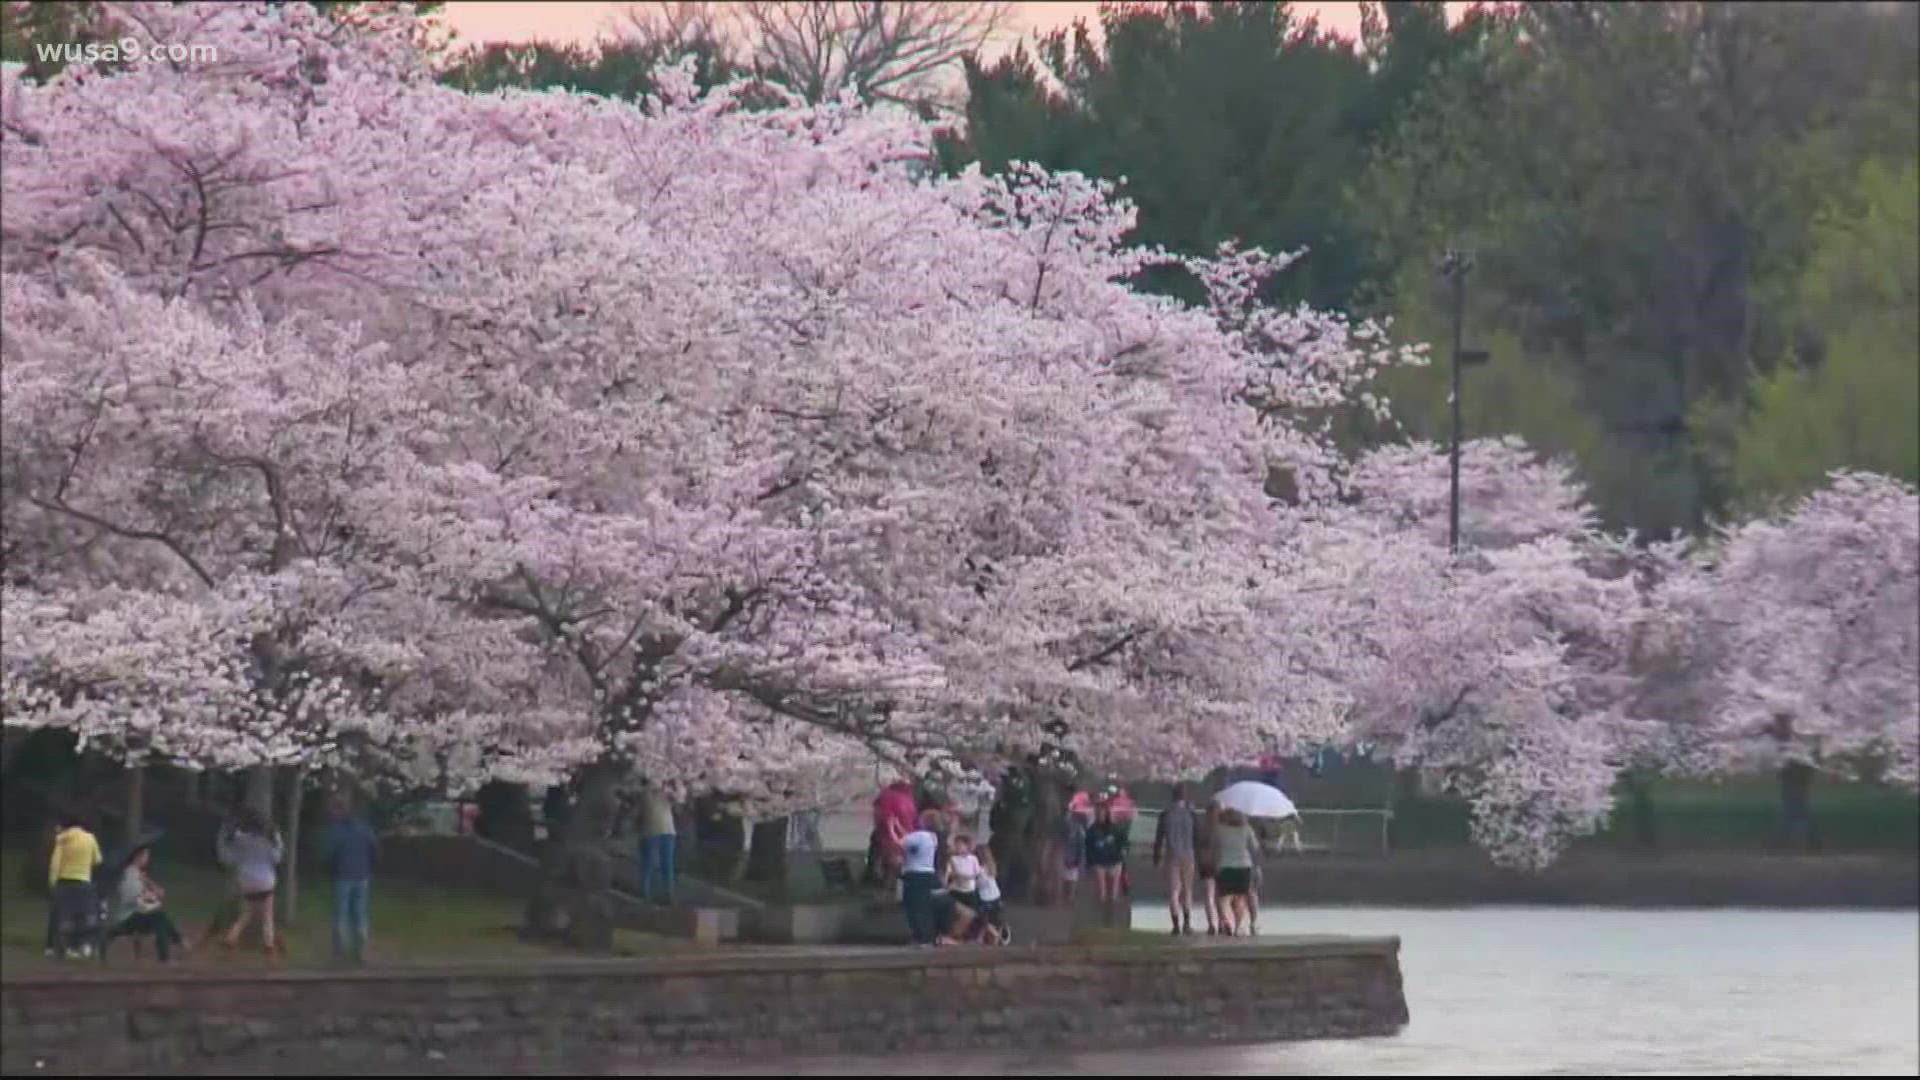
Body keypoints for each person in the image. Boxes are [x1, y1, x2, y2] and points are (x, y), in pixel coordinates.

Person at [319, 794, 379, 964]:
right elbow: (374, 850)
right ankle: (361, 952)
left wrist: (330, 869)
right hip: (362, 875)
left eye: (333, 810)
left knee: (341, 915)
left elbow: (330, 855)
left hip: (343, 876)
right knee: (360, 914)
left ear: (339, 810)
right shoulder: (364, 829)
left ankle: (339, 952)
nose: (330, 814)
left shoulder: (336, 831)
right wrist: (369, 867)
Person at [220, 808, 284, 954]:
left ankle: (231, 937)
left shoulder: (240, 840)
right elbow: (277, 858)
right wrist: (277, 836)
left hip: (247, 882)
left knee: (247, 913)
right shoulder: (268, 841)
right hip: (266, 882)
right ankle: (269, 945)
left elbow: (231, 853)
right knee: (267, 916)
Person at [108, 843, 185, 964]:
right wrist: (151, 899)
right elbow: (132, 899)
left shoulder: (139, 875)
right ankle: (174, 946)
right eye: (146, 856)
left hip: (138, 915)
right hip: (128, 916)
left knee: (160, 919)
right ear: (138, 857)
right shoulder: (130, 875)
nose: (148, 859)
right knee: (159, 917)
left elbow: (160, 893)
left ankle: (170, 951)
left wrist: (148, 883)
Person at [47, 809, 102, 959]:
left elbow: (55, 863)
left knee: (65, 916)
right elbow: (97, 859)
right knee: (84, 915)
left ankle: (67, 948)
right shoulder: (90, 838)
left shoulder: (62, 839)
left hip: (64, 881)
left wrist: (53, 882)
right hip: (84, 880)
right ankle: (84, 945)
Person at [899, 809, 959, 946]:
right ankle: (940, 934)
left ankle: (923, 938)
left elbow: (901, 842)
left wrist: (892, 827)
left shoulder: (919, 836)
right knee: (937, 903)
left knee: (916, 906)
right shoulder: (935, 837)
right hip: (932, 875)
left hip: (915, 875)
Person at [1153, 784, 1198, 935]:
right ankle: (1187, 923)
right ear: (1185, 796)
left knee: (1174, 891)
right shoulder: (1191, 814)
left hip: (1172, 855)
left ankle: (1176, 925)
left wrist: (1157, 857)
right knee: (1187, 890)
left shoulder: (1165, 814)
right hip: (1189, 855)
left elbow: (1159, 838)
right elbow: (1196, 836)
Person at [1213, 807, 1261, 936]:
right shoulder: (1247, 829)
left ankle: (1225, 921)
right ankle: (1238, 927)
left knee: (1223, 898)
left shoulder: (1220, 829)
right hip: (1244, 866)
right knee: (1240, 898)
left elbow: (1215, 848)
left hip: (1225, 866)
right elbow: (1255, 847)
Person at [1084, 800, 1128, 924]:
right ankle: (1100, 917)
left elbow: (1124, 841)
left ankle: (1110, 918)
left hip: (1115, 861)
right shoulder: (1092, 830)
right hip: (1099, 862)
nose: (1100, 815)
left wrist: (1123, 850)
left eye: (1102, 813)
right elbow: (1088, 847)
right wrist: (1089, 864)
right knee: (1101, 892)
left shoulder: (1115, 828)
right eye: (1098, 813)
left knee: (1113, 894)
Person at [637, 784, 677, 906]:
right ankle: (663, 894)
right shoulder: (648, 791)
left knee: (651, 864)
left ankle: (649, 893)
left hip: (655, 831)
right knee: (664, 865)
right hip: (663, 830)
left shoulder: (665, 792)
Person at [1194, 800, 1222, 935]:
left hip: (1206, 864)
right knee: (1221, 897)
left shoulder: (1203, 829)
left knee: (1209, 896)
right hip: (1221, 865)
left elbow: (1198, 848)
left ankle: (1212, 924)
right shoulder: (1223, 829)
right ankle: (1223, 922)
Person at [1058, 801, 1088, 906]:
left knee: (1071, 880)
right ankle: (1062, 901)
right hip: (1062, 858)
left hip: (1072, 857)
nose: (1068, 814)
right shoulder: (1059, 826)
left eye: (1069, 812)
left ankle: (1069, 901)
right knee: (1063, 881)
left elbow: (1081, 845)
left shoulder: (1077, 828)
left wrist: (1078, 861)